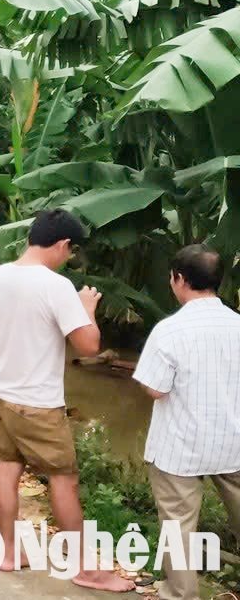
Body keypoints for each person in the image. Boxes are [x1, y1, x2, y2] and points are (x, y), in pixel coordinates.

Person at [0, 209, 133, 592]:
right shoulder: (57, 286)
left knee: (9, 466)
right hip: (36, 401)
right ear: (63, 244)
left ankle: (10, 553)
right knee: (64, 478)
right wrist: (87, 311)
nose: (68, 257)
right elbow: (89, 345)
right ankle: (84, 568)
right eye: (70, 250)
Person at [133, 245, 240, 600]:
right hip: (234, 443)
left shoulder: (170, 330)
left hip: (180, 447)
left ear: (178, 279)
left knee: (178, 526)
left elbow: (155, 389)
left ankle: (181, 594)